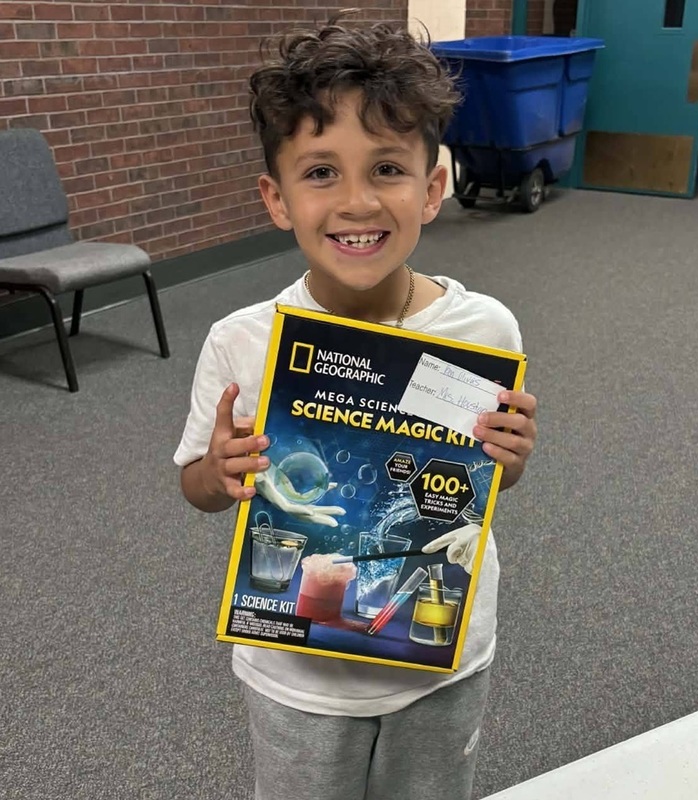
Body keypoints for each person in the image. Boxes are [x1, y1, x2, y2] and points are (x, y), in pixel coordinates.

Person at [174, 15, 538, 800]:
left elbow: (477, 490)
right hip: (297, 674)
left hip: (440, 655)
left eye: (386, 168)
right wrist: (218, 470)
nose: (357, 203)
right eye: (320, 173)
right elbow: (198, 489)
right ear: (276, 198)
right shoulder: (244, 341)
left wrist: (507, 461)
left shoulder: (483, 330)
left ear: (433, 186)